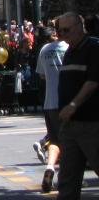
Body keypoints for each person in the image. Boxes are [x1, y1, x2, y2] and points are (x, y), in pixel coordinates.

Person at [54, 12, 99, 199]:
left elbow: (94, 80)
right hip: (70, 124)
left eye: (66, 30)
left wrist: (73, 104)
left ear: (79, 27)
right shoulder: (69, 52)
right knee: (67, 178)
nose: (62, 35)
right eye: (59, 31)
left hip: (91, 122)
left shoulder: (93, 47)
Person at [34, 26, 68, 192]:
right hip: (68, 102)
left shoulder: (44, 50)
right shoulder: (69, 48)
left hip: (50, 102)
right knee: (71, 142)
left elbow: (42, 75)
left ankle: (50, 167)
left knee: (54, 139)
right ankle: (67, 178)